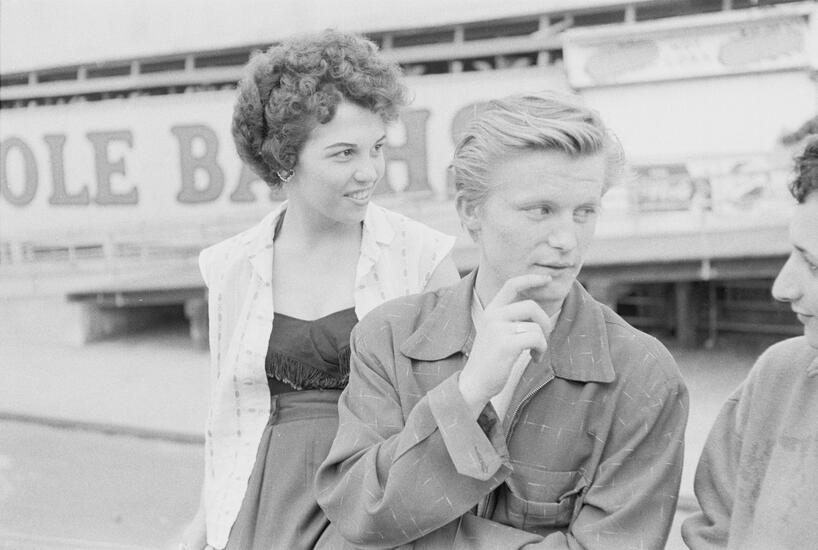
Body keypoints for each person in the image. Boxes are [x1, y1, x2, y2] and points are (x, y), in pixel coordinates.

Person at [315, 90, 689, 549]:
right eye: (541, 210)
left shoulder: (643, 375)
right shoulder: (387, 337)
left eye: (584, 212)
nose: (566, 240)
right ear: (471, 212)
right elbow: (358, 511)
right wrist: (467, 393)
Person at [176, 30, 460, 550]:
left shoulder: (422, 256)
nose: (369, 172)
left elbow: (457, 409)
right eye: (344, 153)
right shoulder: (230, 267)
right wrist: (203, 524)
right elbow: (230, 416)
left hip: (378, 500)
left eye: (377, 148)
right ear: (285, 158)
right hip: (264, 507)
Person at [682, 138, 818, 549]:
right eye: (794, 253)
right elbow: (713, 535)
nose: (782, 287)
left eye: (814, 265)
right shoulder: (776, 378)